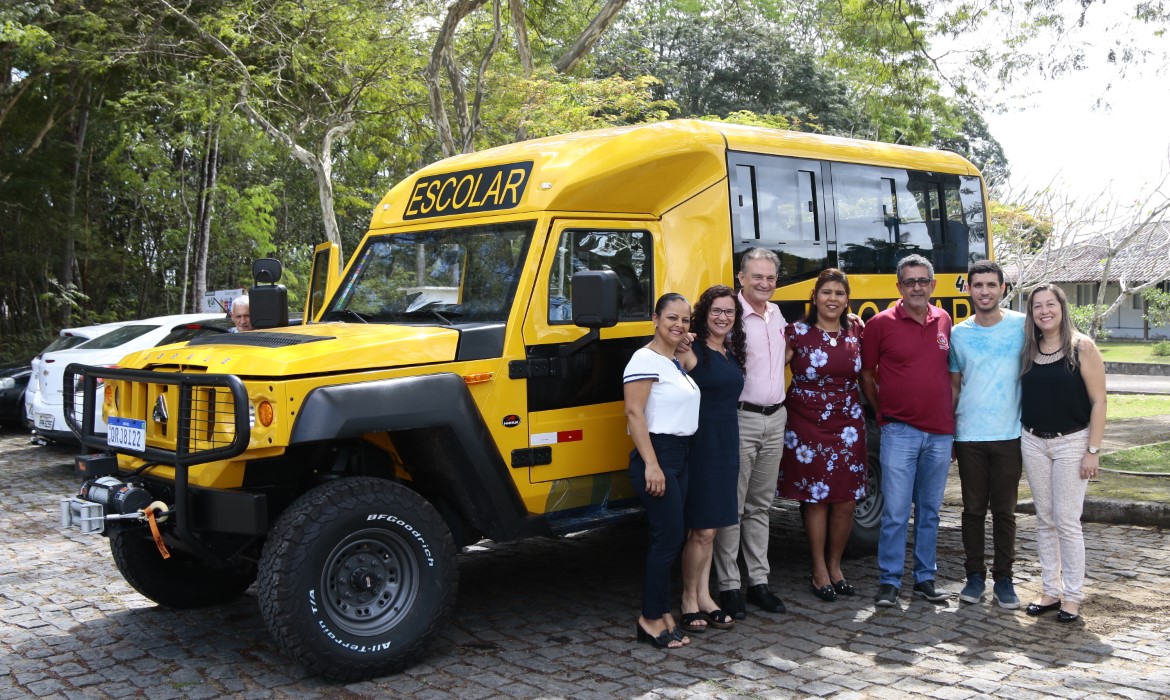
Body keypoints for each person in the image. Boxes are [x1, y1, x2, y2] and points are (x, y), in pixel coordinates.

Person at [859, 254, 954, 607]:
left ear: (933, 285)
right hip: (899, 432)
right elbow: (867, 374)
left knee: (930, 511)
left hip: (941, 433)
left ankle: (925, 580)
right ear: (898, 286)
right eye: (909, 281)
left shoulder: (943, 319)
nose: (917, 287)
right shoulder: (881, 324)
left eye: (922, 281)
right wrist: (882, 411)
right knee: (896, 512)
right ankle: (889, 581)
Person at [1019, 283, 1106, 623]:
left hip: (1073, 442)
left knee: (1067, 521)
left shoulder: (1082, 347)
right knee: (1045, 519)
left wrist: (1093, 451)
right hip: (1034, 442)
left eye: (1050, 304)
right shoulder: (1029, 349)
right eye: (1037, 306)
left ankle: (1072, 596)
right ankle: (1049, 591)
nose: (1044, 311)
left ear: (1061, 307)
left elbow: (1099, 401)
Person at [779, 268, 867, 602]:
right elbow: (772, 366)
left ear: (847, 300)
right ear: (814, 296)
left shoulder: (857, 331)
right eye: (827, 292)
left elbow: (870, 372)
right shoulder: (796, 332)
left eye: (839, 294)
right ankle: (817, 569)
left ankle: (835, 565)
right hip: (806, 424)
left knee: (845, 500)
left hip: (848, 424)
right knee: (815, 500)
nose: (833, 299)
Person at [624, 293, 702, 648]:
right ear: (655, 318)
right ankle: (650, 618)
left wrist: (684, 342)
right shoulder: (644, 358)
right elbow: (634, 413)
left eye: (685, 320)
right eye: (672, 318)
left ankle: (662, 612)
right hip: (658, 456)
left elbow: (693, 361)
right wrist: (652, 465)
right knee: (667, 539)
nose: (679, 325)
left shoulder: (672, 361)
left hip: (680, 455)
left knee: (673, 535)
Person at [949, 260, 1027, 609]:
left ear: (1002, 289)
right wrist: (949, 432)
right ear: (968, 289)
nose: (984, 291)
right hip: (969, 436)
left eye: (991, 285)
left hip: (1010, 434)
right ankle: (975, 576)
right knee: (973, 510)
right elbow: (954, 386)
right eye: (977, 285)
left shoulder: (1023, 327)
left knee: (1005, 512)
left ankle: (1005, 580)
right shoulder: (958, 334)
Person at [715, 248, 788, 618]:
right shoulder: (730, 317)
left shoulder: (777, 314)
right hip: (741, 419)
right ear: (741, 278)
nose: (764, 283)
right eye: (756, 276)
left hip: (776, 418)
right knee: (733, 506)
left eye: (770, 277)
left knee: (761, 506)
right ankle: (729, 587)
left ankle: (758, 582)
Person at [675, 286, 745, 632]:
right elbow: (660, 358)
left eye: (729, 312)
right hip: (701, 446)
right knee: (701, 529)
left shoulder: (729, 351)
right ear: (705, 314)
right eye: (716, 311)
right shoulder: (693, 351)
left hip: (726, 445)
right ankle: (689, 598)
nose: (722, 317)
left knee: (712, 528)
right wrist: (679, 339)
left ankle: (705, 596)